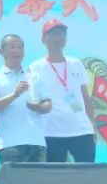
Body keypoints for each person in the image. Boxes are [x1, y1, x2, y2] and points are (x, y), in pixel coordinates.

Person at [29, 19, 98, 163]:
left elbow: (85, 97)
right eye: (53, 34)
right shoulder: (36, 67)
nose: (58, 38)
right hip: (52, 132)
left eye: (62, 34)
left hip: (81, 130)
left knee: (87, 172)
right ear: (44, 39)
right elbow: (34, 100)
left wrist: (92, 125)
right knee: (55, 175)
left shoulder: (76, 63)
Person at [0, 34, 50, 164]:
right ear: (1, 51)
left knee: (39, 178)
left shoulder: (34, 77)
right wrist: (14, 95)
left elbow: (47, 105)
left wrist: (39, 107)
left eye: (20, 47)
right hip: (10, 144)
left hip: (37, 143)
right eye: (12, 47)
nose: (17, 51)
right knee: (13, 178)